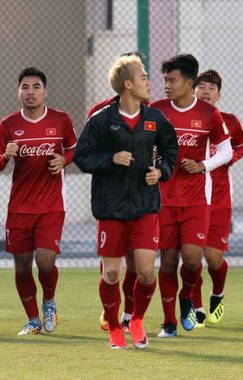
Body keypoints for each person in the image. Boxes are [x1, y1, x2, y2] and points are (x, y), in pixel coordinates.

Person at [75, 54, 178, 350]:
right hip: (111, 208)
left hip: (146, 205)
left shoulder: (155, 119)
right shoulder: (101, 120)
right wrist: (110, 159)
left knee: (146, 272)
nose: (149, 82)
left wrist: (162, 171)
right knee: (111, 273)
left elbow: (171, 149)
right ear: (128, 84)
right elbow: (81, 156)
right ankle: (113, 328)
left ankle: (136, 320)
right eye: (143, 77)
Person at [0, 67, 77, 336]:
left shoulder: (61, 120)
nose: (30, 92)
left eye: (36, 87)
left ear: (45, 91)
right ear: (18, 92)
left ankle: (49, 302)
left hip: (51, 205)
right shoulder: (8, 125)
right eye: (25, 87)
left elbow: (74, 148)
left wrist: (64, 160)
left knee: (46, 260)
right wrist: (5, 156)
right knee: (23, 265)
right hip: (19, 208)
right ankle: (33, 319)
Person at [149, 54, 231, 338]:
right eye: (165, 80)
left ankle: (188, 298)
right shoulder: (156, 110)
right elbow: (143, 144)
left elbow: (226, 152)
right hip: (163, 200)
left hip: (197, 200)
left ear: (188, 82)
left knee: (193, 260)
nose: (167, 85)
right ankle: (169, 321)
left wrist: (201, 166)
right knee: (169, 261)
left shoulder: (209, 114)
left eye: (172, 80)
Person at [87, 51, 145, 334]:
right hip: (110, 199)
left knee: (137, 261)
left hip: (140, 199)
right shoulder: (99, 113)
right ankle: (111, 309)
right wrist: (111, 158)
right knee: (112, 265)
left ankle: (130, 312)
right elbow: (87, 154)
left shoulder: (151, 113)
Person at [191, 70, 243, 326]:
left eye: (211, 88)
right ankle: (197, 307)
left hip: (220, 198)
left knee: (213, 258)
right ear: (193, 90)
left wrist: (225, 161)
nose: (205, 91)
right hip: (192, 197)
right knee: (192, 257)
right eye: (201, 86)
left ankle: (218, 293)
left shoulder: (229, 121)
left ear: (218, 94)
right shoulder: (185, 120)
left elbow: (240, 146)